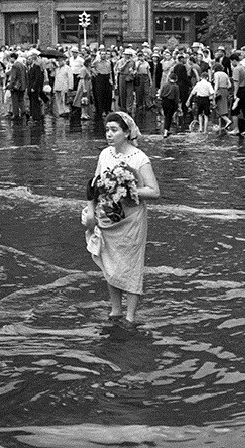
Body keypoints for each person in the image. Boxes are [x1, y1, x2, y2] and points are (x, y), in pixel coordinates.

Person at [84, 112, 160, 327]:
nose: (109, 134)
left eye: (114, 130)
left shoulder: (139, 158)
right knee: (111, 264)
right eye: (107, 130)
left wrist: (127, 188)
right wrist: (91, 210)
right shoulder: (105, 155)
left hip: (132, 219)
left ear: (127, 133)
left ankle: (130, 316)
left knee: (131, 265)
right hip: (109, 217)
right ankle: (115, 310)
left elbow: (154, 191)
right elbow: (94, 185)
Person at [229, 53, 245, 136]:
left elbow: (236, 83)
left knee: (234, 111)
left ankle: (236, 129)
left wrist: (235, 94)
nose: (231, 63)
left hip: (240, 90)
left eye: (231, 61)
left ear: (234, 60)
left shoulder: (236, 69)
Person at [212, 62, 233, 131]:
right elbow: (229, 85)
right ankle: (221, 124)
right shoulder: (225, 74)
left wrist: (214, 94)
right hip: (225, 91)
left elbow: (216, 84)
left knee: (218, 108)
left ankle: (227, 121)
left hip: (219, 91)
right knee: (224, 107)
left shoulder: (216, 74)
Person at [7, 52, 28, 120]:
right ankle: (23, 111)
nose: (10, 59)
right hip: (23, 86)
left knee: (15, 100)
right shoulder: (22, 65)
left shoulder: (14, 66)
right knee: (21, 99)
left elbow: (13, 77)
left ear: (13, 58)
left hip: (16, 86)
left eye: (10, 58)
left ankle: (15, 114)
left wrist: (10, 86)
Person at [159, 73, 181, 138]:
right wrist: (178, 106)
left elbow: (160, 95)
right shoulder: (176, 87)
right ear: (176, 79)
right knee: (169, 116)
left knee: (166, 116)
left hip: (164, 102)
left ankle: (166, 129)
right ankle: (165, 131)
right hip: (171, 102)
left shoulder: (165, 85)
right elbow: (177, 98)